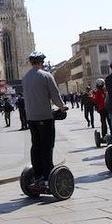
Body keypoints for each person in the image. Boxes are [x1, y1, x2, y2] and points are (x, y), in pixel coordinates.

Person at [22, 51, 68, 186]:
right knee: (47, 146)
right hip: (45, 117)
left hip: (31, 118)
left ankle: (37, 175)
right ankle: (48, 175)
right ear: (42, 62)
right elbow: (55, 95)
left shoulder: (25, 78)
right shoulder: (46, 75)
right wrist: (62, 107)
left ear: (31, 63)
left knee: (35, 146)